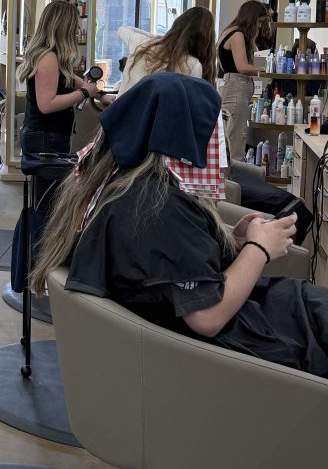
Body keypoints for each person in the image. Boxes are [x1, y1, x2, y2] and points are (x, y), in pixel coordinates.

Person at [33, 73, 328, 378]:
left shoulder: (126, 190)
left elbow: (171, 268)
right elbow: (208, 316)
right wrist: (258, 249)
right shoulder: (155, 208)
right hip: (241, 349)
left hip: (254, 319)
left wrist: (229, 241)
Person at [17, 0, 113, 158]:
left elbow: (72, 79)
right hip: (45, 137)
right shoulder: (48, 58)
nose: (77, 29)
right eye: (74, 24)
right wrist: (83, 93)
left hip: (49, 135)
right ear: (64, 27)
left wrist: (100, 95)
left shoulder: (55, 56)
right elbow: (46, 105)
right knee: (50, 184)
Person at [116, 6, 216, 96]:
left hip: (120, 113)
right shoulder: (192, 64)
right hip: (154, 116)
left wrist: (162, 39)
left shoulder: (142, 43)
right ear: (206, 40)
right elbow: (193, 102)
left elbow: (122, 29)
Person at [217, 0, 271, 159]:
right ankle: (233, 182)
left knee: (232, 140)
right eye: (259, 22)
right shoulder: (237, 34)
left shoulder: (229, 31)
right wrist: (267, 69)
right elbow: (242, 67)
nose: (260, 26)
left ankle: (232, 181)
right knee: (235, 145)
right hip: (235, 90)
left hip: (233, 89)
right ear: (251, 18)